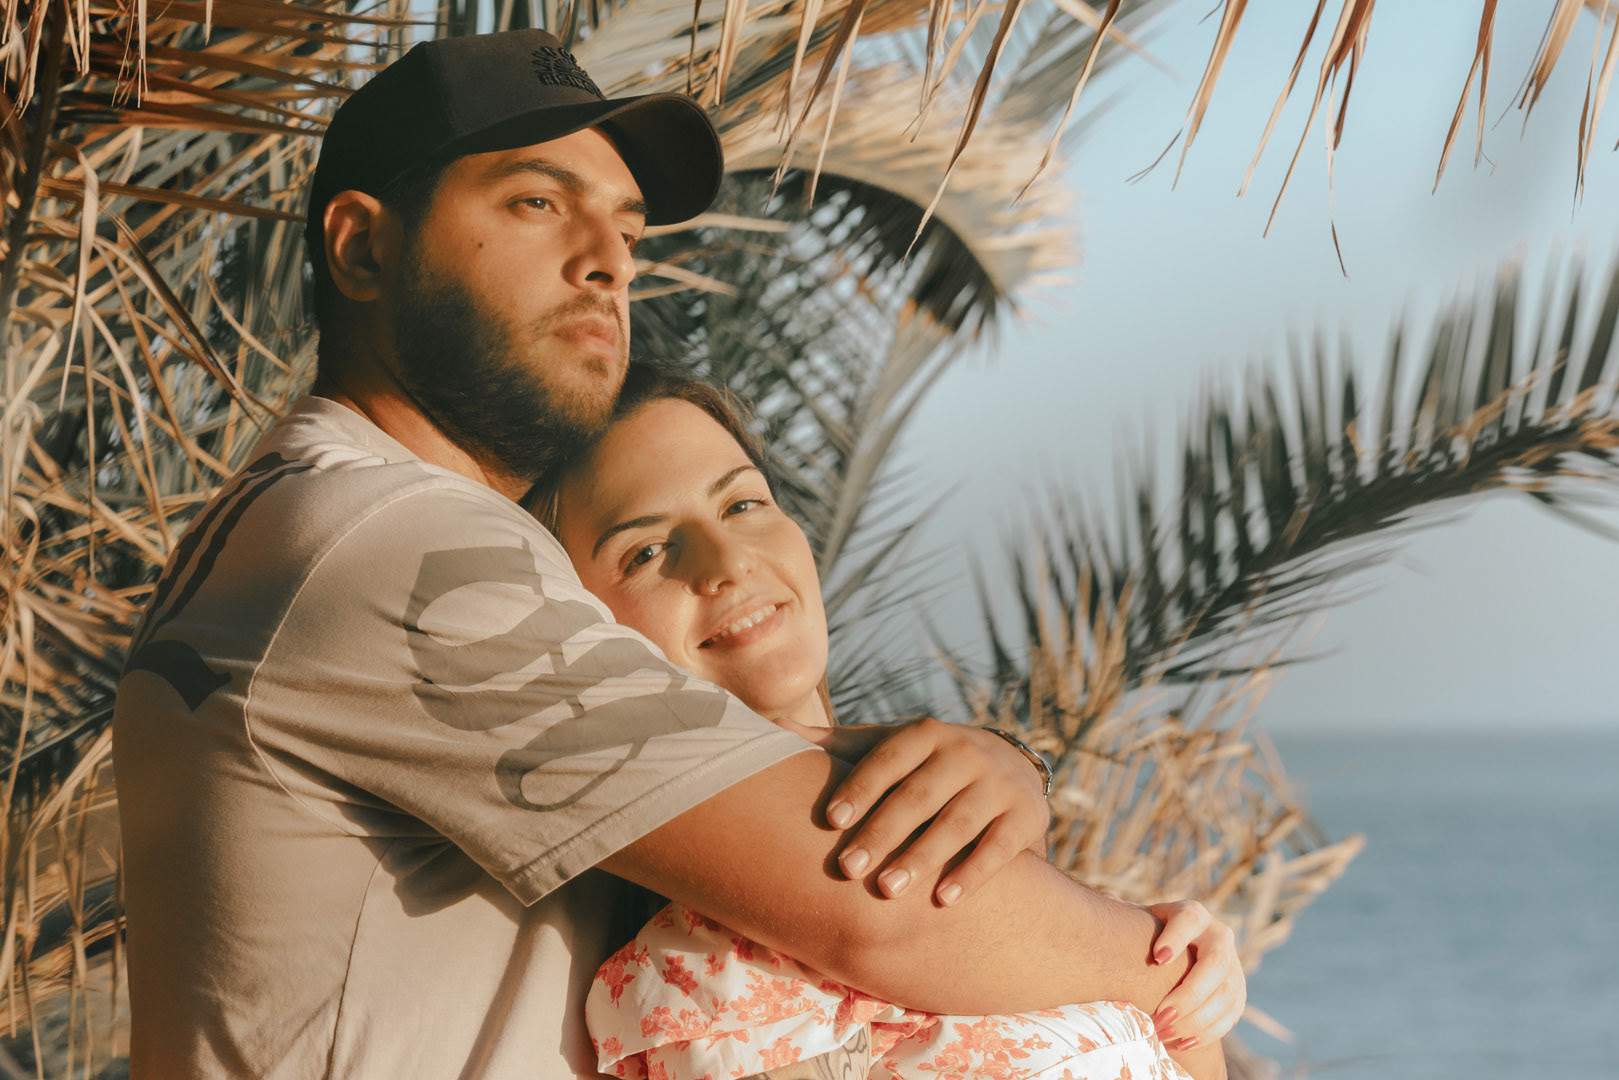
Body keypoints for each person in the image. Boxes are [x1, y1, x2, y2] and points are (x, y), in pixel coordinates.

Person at [111, 28, 1241, 1080]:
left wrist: (991, 766)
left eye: (626, 226)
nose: (605, 258)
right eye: (536, 201)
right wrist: (1168, 966)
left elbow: (706, 765)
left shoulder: (330, 529)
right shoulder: (385, 545)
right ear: (360, 246)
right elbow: (878, 909)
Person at [536, 364, 1222, 1080]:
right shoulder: (708, 976)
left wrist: (1182, 965)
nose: (727, 562)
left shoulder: (968, 840)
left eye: (742, 505)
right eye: (645, 552)